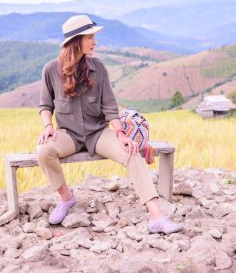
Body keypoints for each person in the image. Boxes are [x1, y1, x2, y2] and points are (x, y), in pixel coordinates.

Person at [36, 14, 183, 234]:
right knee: (43, 151)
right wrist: (48, 127)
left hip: (98, 134)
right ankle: (67, 199)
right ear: (76, 41)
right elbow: (45, 105)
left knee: (131, 152)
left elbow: (110, 107)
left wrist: (122, 135)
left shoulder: (99, 68)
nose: (95, 42)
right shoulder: (50, 70)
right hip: (68, 135)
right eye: (90, 38)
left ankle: (156, 217)